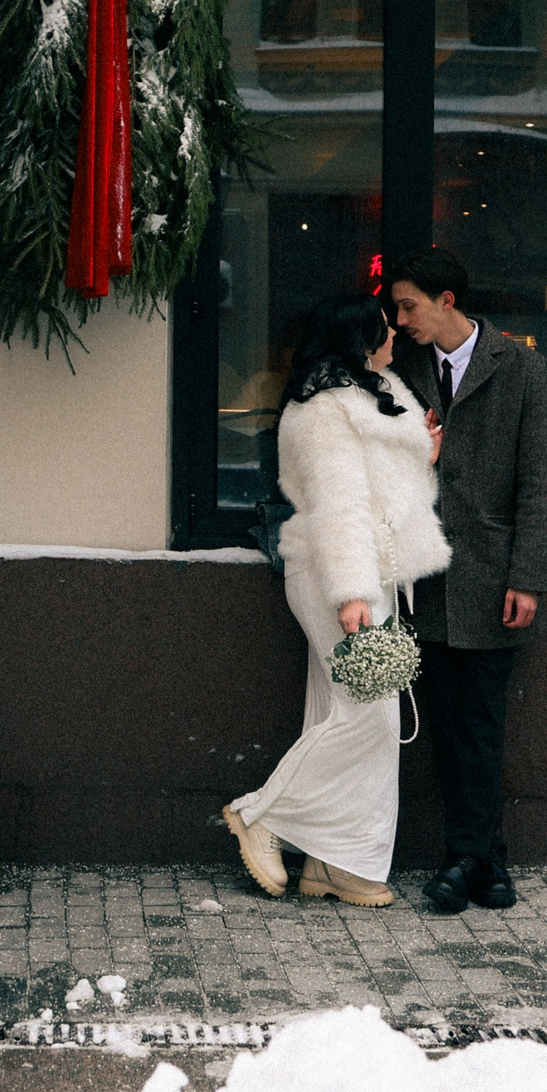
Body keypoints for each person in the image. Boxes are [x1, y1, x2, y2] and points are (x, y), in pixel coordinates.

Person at [222, 293, 449, 907]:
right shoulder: (323, 411)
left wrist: (420, 453)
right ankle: (260, 815)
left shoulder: (373, 395)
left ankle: (338, 864)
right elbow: (339, 507)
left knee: (344, 715)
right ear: (359, 340)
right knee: (371, 717)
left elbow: (389, 498)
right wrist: (352, 595)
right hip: (338, 575)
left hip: (374, 575)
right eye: (384, 330)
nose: (396, 337)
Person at [387, 248, 547, 915]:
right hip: (426, 577)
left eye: (410, 306)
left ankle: (468, 857)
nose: (400, 320)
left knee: (481, 724)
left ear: (447, 300)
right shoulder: (402, 369)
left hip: (492, 578)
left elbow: (540, 484)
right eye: (397, 309)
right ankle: (485, 862)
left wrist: (528, 578)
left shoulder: (517, 367)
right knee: (447, 724)